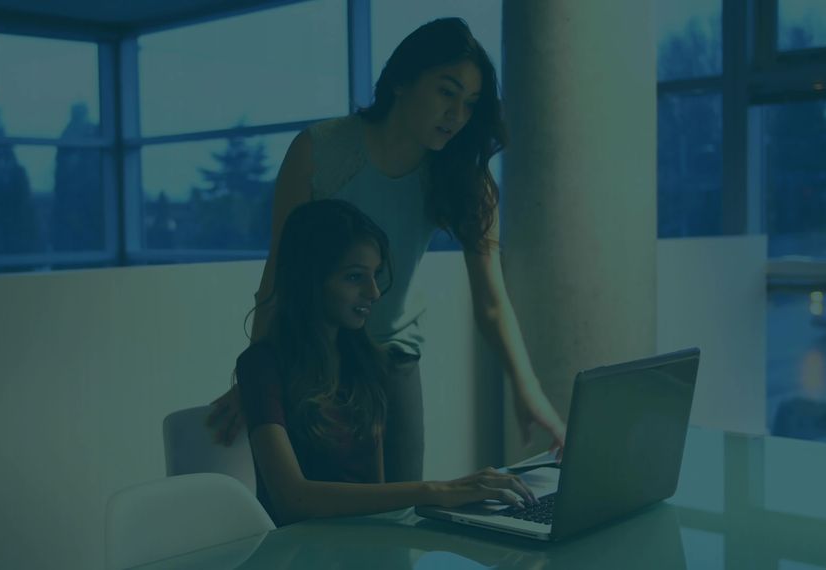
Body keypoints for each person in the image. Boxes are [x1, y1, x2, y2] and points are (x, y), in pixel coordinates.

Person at [208, 17, 566, 483]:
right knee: (313, 521)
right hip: (308, 362)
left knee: (401, 523)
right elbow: (277, 276)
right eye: (446, 92)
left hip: (391, 361)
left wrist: (527, 388)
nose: (457, 115)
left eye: (470, 103)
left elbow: (492, 302)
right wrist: (257, 378)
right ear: (402, 81)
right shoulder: (320, 150)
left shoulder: (463, 175)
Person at [236, 199, 536, 526]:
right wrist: (434, 490)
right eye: (354, 277)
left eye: (375, 276)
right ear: (309, 279)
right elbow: (292, 500)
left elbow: (376, 494)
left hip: (362, 547)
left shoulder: (366, 361)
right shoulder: (261, 366)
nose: (374, 292)